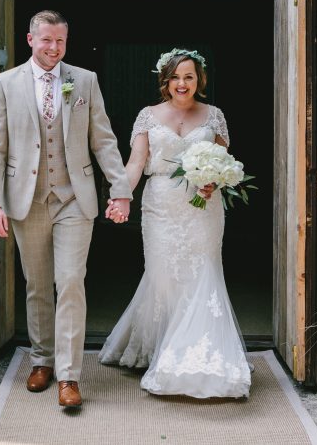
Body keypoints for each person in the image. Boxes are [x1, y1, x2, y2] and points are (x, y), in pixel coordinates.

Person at [0, 10, 132, 408]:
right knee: (37, 284)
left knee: (69, 282)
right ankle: (41, 360)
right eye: (46, 40)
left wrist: (121, 188)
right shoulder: (5, 83)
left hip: (74, 200)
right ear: (30, 40)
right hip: (25, 200)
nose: (54, 48)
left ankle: (69, 375)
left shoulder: (83, 81)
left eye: (60, 41)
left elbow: (104, 140)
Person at [98, 49, 251, 398]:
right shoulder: (148, 116)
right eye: (175, 77)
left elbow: (225, 161)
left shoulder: (214, 116)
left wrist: (216, 180)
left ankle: (198, 356)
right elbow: (136, 163)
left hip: (203, 208)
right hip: (161, 207)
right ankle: (163, 349)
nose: (182, 84)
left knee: (203, 272)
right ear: (164, 80)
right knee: (163, 275)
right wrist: (120, 195)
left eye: (189, 77)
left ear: (200, 80)